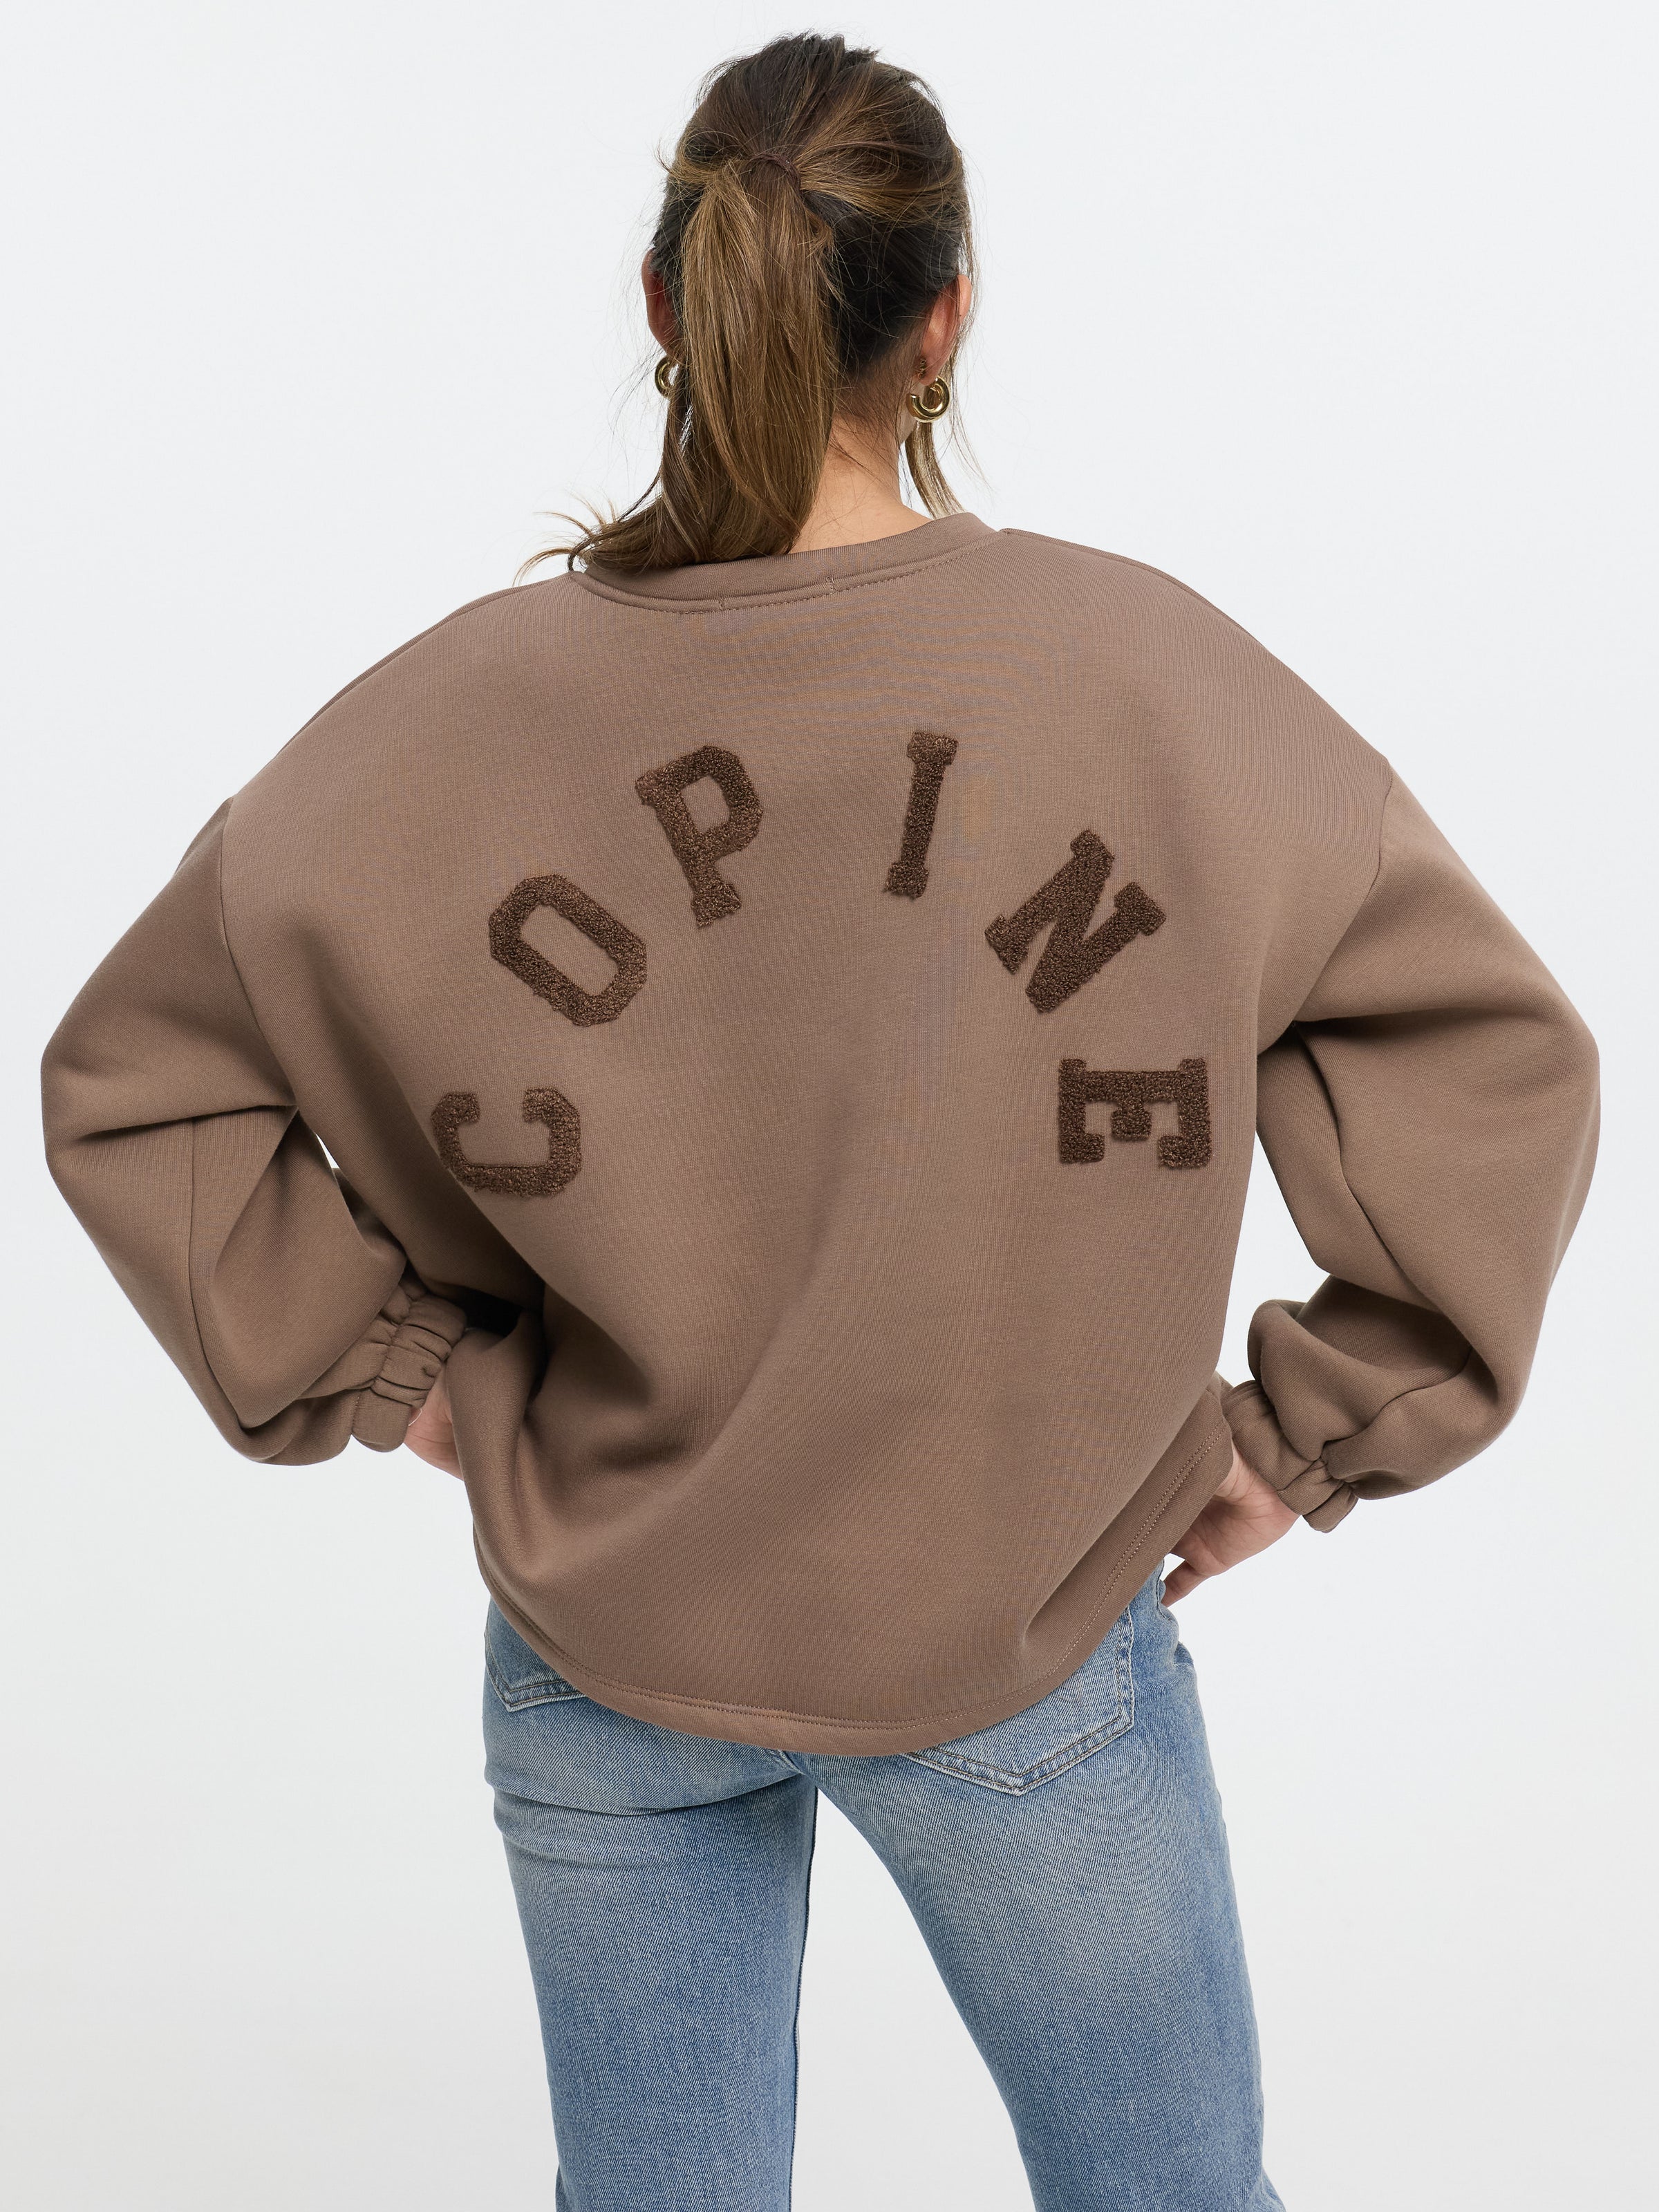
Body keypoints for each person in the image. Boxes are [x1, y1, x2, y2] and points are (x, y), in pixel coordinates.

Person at [40, 31, 1597, 2212]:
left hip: (607, 1638)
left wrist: (402, 1378)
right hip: (1023, 1636)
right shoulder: (1153, 686)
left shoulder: (441, 725)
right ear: (945, 316)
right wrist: (1309, 1434)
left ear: (665, 305)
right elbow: (1494, 1053)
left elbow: (141, 1081)